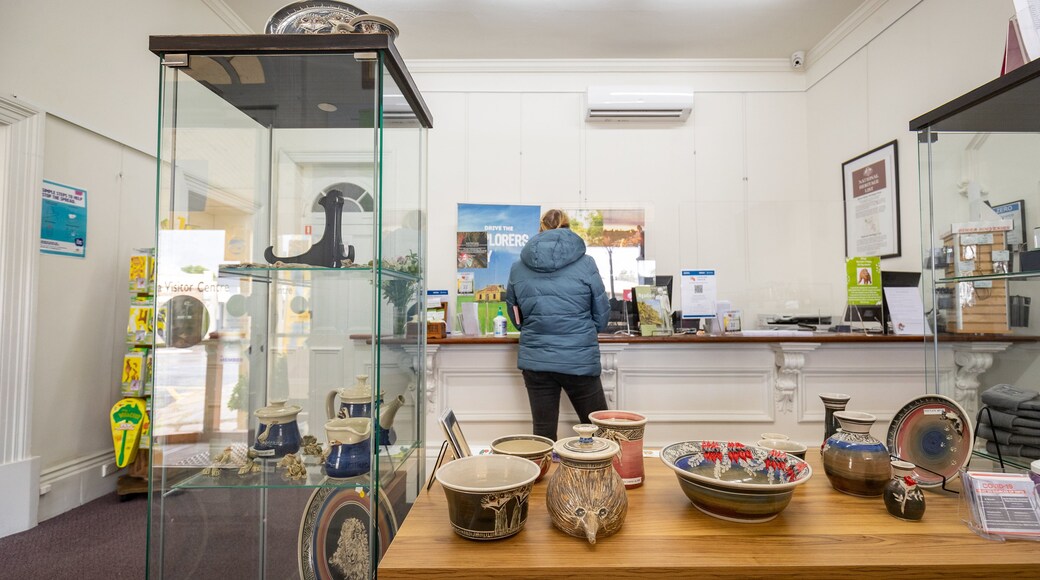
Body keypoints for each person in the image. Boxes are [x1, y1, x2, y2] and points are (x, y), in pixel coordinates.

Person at [505, 209, 611, 440]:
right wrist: (580, 330)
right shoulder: (586, 263)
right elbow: (602, 317)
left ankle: (544, 476)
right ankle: (600, 477)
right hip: (579, 358)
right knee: (600, 433)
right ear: (567, 226)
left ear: (540, 228)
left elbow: (516, 317)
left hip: (536, 360)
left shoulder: (517, 267)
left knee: (543, 435)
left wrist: (537, 329)